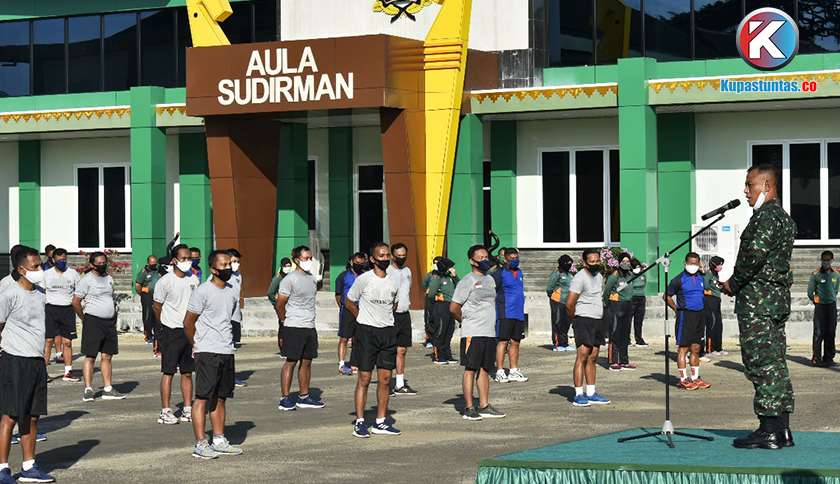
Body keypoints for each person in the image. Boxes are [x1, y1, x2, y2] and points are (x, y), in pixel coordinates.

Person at [722, 165, 797, 450]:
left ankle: (768, 431)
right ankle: (782, 429)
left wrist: (733, 283)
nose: (745, 191)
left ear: (766, 185)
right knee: (775, 364)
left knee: (760, 364)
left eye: (750, 184)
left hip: (758, 303)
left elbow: (754, 255)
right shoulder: (783, 218)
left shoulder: (766, 217)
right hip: (774, 302)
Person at [0, 247, 55, 484]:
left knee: (32, 416)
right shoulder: (8, 293)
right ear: (22, 270)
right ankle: (2, 469)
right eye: (36, 266)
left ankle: (29, 467)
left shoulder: (41, 293)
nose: (41, 269)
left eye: (41, 265)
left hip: (36, 361)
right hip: (15, 360)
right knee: (10, 416)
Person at [183, 250, 243, 459]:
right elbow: (188, 322)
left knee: (221, 397)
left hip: (226, 349)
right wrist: (196, 344)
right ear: (213, 269)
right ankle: (200, 444)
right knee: (202, 397)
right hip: (207, 350)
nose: (228, 268)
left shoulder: (232, 290)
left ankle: (219, 440)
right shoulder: (203, 291)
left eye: (229, 264)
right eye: (224, 265)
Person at [345, 242, 401, 438]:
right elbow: (349, 302)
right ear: (372, 259)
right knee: (365, 378)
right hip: (366, 333)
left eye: (387, 255)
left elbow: (394, 305)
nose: (385, 258)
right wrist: (362, 317)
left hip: (388, 332)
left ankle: (381, 421)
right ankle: (360, 422)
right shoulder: (364, 279)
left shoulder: (394, 281)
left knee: (385, 379)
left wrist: (383, 318)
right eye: (381, 255)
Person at [450, 245, 506, 421]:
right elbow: (454, 307)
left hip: (488, 332)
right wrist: (464, 321)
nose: (484, 260)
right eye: (480, 258)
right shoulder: (467, 281)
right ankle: (469, 408)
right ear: (472, 261)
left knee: (485, 369)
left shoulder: (490, 280)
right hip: (472, 332)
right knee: (471, 369)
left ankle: (484, 405)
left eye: (486, 257)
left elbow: (492, 302)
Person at [153, 245, 200, 425]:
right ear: (174, 260)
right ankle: (165, 411)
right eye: (183, 258)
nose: (187, 261)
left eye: (189, 258)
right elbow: (157, 307)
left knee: (187, 372)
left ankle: (187, 409)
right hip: (171, 330)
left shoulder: (193, 279)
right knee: (169, 371)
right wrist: (164, 324)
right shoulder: (165, 281)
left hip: (189, 331)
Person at [276, 246, 325, 411]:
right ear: (297, 260)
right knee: (291, 361)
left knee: (307, 361)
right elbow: (280, 304)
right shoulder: (290, 279)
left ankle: (304, 397)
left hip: (309, 325)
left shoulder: (312, 279)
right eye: (305, 258)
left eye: (310, 258)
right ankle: (285, 398)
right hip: (294, 326)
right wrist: (284, 320)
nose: (309, 261)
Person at [73, 252, 125, 402]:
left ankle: (108, 389)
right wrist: (84, 319)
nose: (102, 265)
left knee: (107, 356)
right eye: (99, 263)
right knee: (90, 356)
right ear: (92, 265)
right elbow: (76, 302)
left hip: (109, 322)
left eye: (104, 263)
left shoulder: (109, 278)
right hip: (93, 321)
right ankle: (88, 390)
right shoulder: (86, 280)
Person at [566, 249, 610, 407]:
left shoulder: (599, 276)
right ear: (585, 263)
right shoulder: (579, 278)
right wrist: (576, 320)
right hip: (583, 319)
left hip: (597, 320)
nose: (595, 264)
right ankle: (578, 394)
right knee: (582, 356)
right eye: (592, 261)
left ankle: (591, 392)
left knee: (593, 357)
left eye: (597, 261)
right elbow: (569, 304)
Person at [663, 252, 709, 391]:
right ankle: (683, 379)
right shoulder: (679, 279)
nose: (692, 265)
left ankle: (694, 378)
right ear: (685, 263)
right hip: (685, 315)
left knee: (696, 348)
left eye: (695, 263)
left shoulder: (701, 277)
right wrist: (676, 309)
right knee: (683, 348)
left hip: (700, 315)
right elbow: (666, 296)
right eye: (690, 263)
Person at [42, 248, 81, 382]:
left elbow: (79, 292)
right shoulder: (46, 275)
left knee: (67, 342)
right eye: (59, 260)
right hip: (51, 309)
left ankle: (68, 372)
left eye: (64, 260)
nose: (62, 262)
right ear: (53, 260)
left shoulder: (73, 274)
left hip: (67, 310)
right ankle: (43, 372)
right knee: (48, 341)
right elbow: (40, 292)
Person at [493, 248, 527, 383]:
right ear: (505, 260)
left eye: (517, 258)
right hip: (505, 312)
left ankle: (513, 370)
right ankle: (500, 371)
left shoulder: (520, 272)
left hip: (518, 312)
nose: (515, 260)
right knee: (503, 341)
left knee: (516, 341)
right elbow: (493, 292)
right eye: (512, 258)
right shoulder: (499, 273)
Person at [387, 243, 417, 395]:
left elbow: (407, 289)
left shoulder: (407, 271)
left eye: (404, 255)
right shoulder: (387, 271)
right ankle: (385, 383)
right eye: (398, 255)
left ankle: (400, 384)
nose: (401, 258)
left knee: (402, 349)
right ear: (392, 256)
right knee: (388, 350)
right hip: (391, 314)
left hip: (404, 313)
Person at [603, 252, 636, 371]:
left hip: (628, 305)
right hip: (616, 305)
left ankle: (624, 361)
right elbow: (607, 292)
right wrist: (610, 305)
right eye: (623, 261)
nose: (626, 263)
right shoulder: (615, 276)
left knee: (625, 334)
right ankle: (613, 361)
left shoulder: (631, 275)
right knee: (615, 333)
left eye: (628, 261)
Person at [335, 253, 367, 375]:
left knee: (358, 338)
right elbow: (338, 295)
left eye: (361, 263)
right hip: (347, 310)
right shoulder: (343, 276)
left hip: (361, 309)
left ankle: (355, 362)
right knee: (344, 338)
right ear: (351, 262)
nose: (359, 265)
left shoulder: (366, 276)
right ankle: (342, 364)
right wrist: (344, 306)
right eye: (357, 263)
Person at [807, 251, 839, 367]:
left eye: (828, 260)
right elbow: (810, 292)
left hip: (831, 306)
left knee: (830, 332)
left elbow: (835, 290)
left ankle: (828, 358)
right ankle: (817, 358)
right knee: (819, 332)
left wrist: (831, 297)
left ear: (832, 261)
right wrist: (816, 300)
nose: (826, 262)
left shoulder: (836, 275)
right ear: (821, 260)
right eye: (824, 260)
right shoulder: (816, 274)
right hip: (820, 306)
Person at [428, 258, 459, 365]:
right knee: (440, 330)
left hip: (451, 305)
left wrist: (455, 276)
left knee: (449, 330)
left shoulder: (450, 277)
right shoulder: (437, 278)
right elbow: (431, 294)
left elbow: (460, 286)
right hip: (441, 305)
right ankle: (439, 356)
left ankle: (447, 355)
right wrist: (437, 301)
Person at [546, 255, 574, 352]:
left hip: (568, 302)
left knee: (566, 323)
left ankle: (565, 343)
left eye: (570, 263)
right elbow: (549, 288)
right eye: (567, 263)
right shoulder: (556, 273)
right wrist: (554, 296)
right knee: (557, 322)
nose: (569, 265)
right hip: (557, 301)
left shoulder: (569, 274)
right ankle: (557, 344)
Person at [268, 258, 293, 356]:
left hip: (290, 306)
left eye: (289, 266)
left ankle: (289, 348)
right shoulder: (278, 278)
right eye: (286, 266)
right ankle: (283, 349)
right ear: (282, 267)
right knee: (283, 327)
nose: (288, 268)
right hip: (282, 307)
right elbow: (270, 293)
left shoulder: (290, 277)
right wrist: (276, 304)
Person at [135, 255, 160, 349]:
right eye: (152, 264)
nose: (154, 265)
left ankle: (155, 334)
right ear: (148, 263)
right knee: (147, 316)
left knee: (156, 316)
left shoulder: (157, 271)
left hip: (156, 297)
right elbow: (138, 285)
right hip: (147, 296)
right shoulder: (143, 273)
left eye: (155, 264)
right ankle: (148, 336)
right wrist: (143, 294)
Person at [703, 256, 727, 356]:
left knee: (718, 324)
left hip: (716, 300)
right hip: (710, 300)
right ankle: (710, 349)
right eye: (719, 264)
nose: (720, 267)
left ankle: (718, 348)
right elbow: (705, 286)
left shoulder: (715, 275)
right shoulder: (708, 274)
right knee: (712, 324)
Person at [421, 256, 442, 348]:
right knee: (429, 318)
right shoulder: (429, 275)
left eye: (437, 263)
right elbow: (424, 285)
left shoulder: (445, 276)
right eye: (434, 263)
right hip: (430, 299)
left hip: (440, 300)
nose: (435, 265)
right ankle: (429, 339)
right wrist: (429, 292)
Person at [629, 259, 649, 347]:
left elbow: (643, 284)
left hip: (641, 298)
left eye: (638, 267)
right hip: (632, 298)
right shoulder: (630, 275)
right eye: (636, 267)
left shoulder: (642, 275)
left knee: (639, 319)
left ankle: (639, 339)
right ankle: (627, 339)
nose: (638, 269)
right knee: (628, 319)